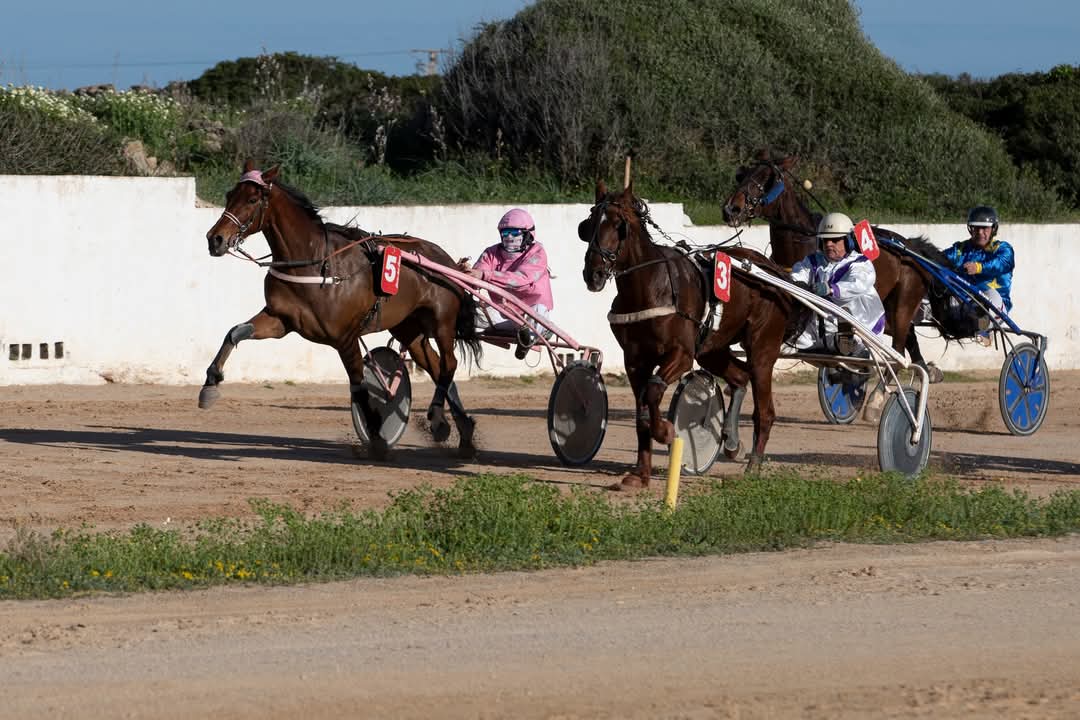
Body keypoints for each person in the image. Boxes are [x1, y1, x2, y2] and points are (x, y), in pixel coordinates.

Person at [457, 208, 554, 359]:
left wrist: (484, 275)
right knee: (462, 309)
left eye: (514, 233)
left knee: (539, 310)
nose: (509, 236)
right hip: (502, 314)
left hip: (530, 316)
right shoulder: (491, 253)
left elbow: (520, 279)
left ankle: (529, 337)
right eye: (505, 232)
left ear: (528, 234)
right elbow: (476, 280)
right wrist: (465, 273)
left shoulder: (537, 252)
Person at [790, 212, 886, 354]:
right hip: (819, 328)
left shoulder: (860, 263)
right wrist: (798, 283)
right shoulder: (813, 261)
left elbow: (857, 283)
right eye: (825, 240)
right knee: (787, 339)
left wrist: (831, 289)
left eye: (835, 240)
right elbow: (799, 272)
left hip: (861, 326)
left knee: (849, 340)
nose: (829, 244)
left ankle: (847, 345)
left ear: (848, 241)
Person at [944, 205, 1014, 345]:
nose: (980, 233)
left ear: (993, 229)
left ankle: (983, 327)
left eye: (985, 228)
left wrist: (978, 267)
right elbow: (938, 259)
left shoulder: (1002, 249)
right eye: (976, 228)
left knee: (988, 293)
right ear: (970, 229)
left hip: (995, 304)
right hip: (964, 303)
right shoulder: (960, 250)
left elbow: (1003, 263)